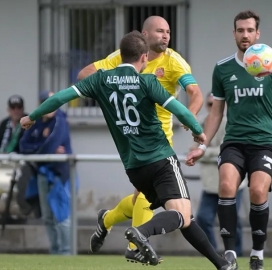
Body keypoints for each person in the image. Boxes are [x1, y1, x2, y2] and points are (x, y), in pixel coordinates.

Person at [20, 31, 235, 270]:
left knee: (182, 216)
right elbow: (181, 111)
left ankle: (221, 265)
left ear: (120, 55)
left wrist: (32, 117)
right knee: (182, 214)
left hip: (134, 167)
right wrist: (198, 131)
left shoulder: (100, 80)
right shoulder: (147, 81)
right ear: (144, 58)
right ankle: (141, 232)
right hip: (160, 159)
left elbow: (60, 97)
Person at [185, 10, 272, 270]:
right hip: (234, 142)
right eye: (240, 30)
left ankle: (257, 253)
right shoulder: (223, 68)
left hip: (265, 142)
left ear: (258, 34)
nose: (245, 34)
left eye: (249, 30)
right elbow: (216, 113)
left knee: (258, 191)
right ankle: (231, 254)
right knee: (226, 186)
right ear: (234, 34)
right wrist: (202, 145)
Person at [78, 15, 203, 263]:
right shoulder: (123, 58)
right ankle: (134, 243)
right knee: (145, 199)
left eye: (168, 31)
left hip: (158, 142)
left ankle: (113, 225)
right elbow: (85, 74)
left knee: (143, 198)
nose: (166, 35)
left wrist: (190, 119)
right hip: (132, 137)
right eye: (159, 31)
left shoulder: (175, 62)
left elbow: (195, 93)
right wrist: (116, 84)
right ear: (144, 36)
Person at [19, 91, 73, 255]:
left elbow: (50, 145)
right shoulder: (34, 122)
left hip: (59, 175)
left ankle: (65, 253)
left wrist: (36, 150)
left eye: (51, 102)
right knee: (48, 217)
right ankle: (55, 252)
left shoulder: (60, 120)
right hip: (42, 173)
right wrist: (40, 150)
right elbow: (23, 146)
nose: (48, 106)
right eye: (45, 102)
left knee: (62, 217)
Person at [193, 93, 245, 256]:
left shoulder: (230, 122)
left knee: (231, 220)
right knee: (203, 218)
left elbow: (227, 150)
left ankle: (236, 253)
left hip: (231, 181)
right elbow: (194, 147)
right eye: (209, 105)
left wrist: (203, 152)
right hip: (210, 183)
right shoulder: (201, 122)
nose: (212, 108)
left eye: (215, 105)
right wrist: (202, 151)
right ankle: (213, 253)